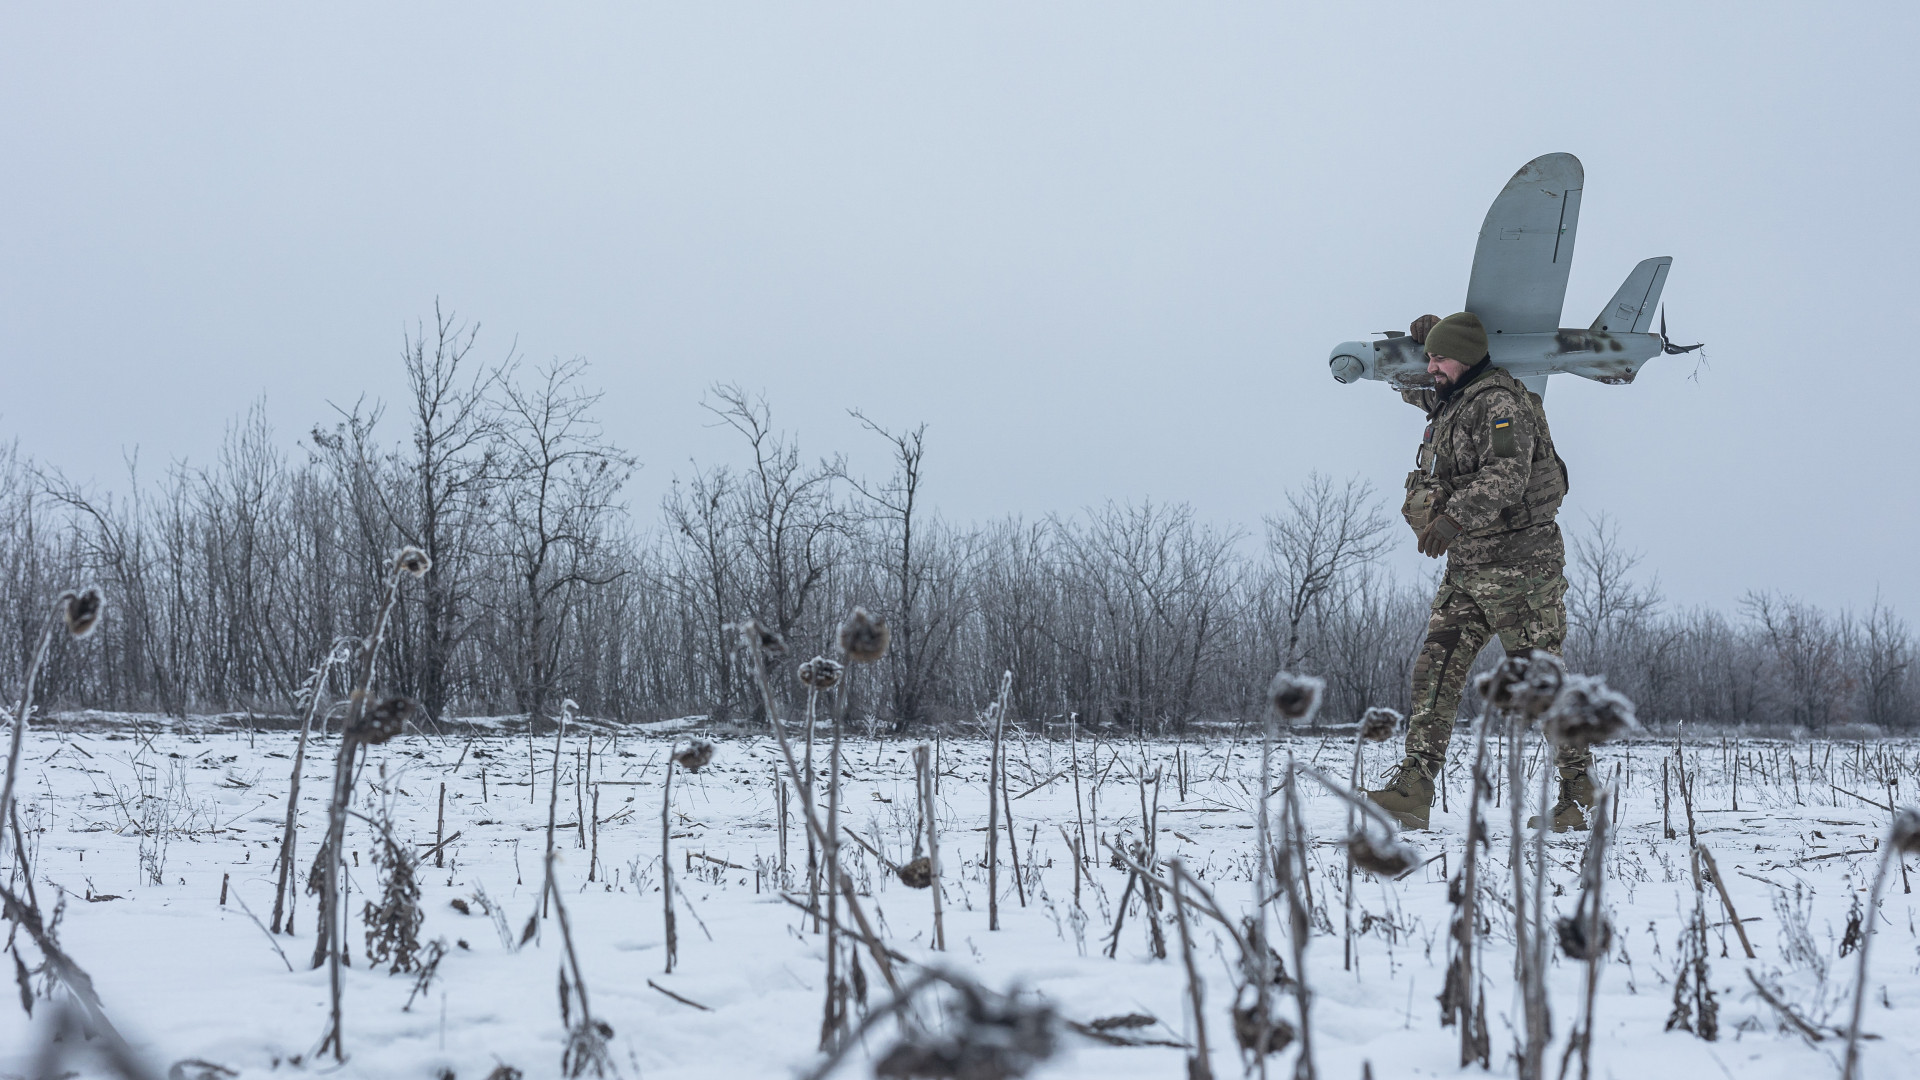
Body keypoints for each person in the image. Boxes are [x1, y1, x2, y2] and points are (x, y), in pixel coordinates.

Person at [1364, 311, 1589, 831]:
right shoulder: (1454, 397)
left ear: (1466, 357)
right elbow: (1418, 387)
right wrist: (1421, 342)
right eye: (1431, 359)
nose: (1432, 368)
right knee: (1434, 671)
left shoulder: (1498, 404)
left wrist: (1450, 521)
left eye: (1440, 359)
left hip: (1521, 571)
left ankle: (1580, 796)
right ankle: (1414, 789)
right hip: (1470, 571)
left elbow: (1507, 474)